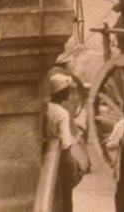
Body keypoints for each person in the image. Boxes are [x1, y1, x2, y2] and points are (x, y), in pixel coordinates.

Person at [45, 73, 77, 212]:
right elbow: (65, 142)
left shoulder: (46, 108)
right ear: (60, 92)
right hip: (63, 157)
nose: (69, 92)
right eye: (67, 90)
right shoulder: (62, 113)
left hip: (48, 155)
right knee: (66, 196)